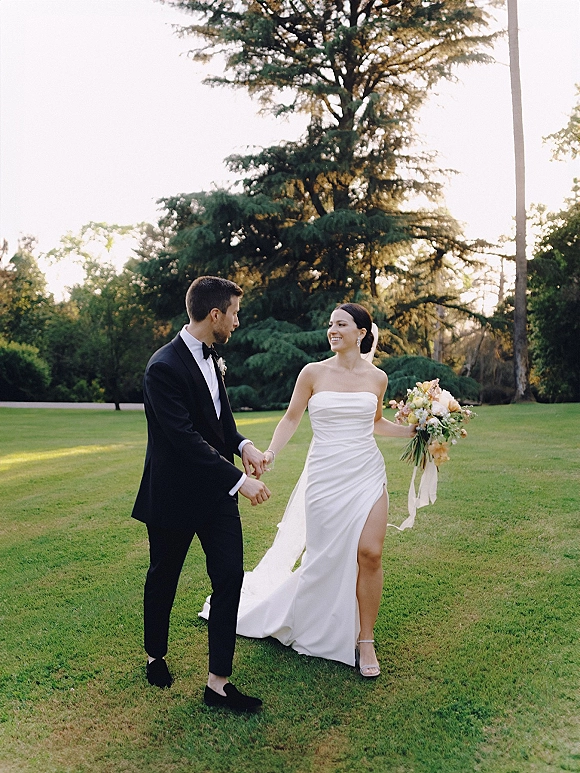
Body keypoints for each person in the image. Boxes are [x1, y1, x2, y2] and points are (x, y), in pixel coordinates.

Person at [231, 303, 414, 678]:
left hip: (366, 471)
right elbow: (292, 417)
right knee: (323, 556)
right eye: (330, 324)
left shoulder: (377, 378)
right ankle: (313, 619)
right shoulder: (312, 373)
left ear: (361, 333)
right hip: (325, 478)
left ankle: (365, 639)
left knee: (371, 553)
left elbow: (376, 423)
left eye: (341, 324)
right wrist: (268, 453)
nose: (332, 330)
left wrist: (414, 430)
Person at [132, 276, 271, 712]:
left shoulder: (213, 356)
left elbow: (219, 422)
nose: (236, 321)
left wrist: (243, 445)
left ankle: (218, 684)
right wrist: (238, 480)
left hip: (215, 498)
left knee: (230, 577)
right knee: (164, 577)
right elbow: (184, 438)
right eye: (233, 313)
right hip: (173, 495)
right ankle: (156, 656)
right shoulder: (163, 367)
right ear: (215, 315)